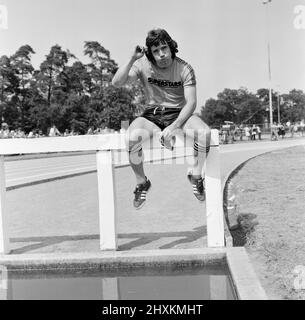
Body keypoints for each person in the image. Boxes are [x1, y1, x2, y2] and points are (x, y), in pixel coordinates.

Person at [112, 28, 211, 209]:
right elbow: (117, 83)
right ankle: (142, 182)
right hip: (152, 113)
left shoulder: (184, 68)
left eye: (164, 48)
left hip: (179, 112)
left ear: (171, 47)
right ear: (150, 53)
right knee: (131, 137)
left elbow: (192, 102)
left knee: (204, 133)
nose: (162, 54)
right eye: (156, 51)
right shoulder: (142, 64)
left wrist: (174, 127)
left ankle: (196, 175)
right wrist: (132, 59)